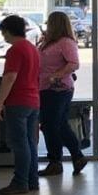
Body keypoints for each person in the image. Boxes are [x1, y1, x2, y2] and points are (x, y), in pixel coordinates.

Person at [37, 11, 87, 177]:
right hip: (45, 88)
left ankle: (62, 159)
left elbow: (74, 63)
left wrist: (56, 75)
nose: (46, 26)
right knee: (54, 125)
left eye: (49, 23)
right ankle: (68, 158)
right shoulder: (49, 42)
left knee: (53, 125)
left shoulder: (65, 42)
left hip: (58, 89)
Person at [0, 15, 40, 195]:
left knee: (19, 143)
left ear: (7, 31)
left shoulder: (15, 50)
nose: (3, 36)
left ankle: (20, 181)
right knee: (30, 142)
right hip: (33, 100)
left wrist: (0, 103)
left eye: (3, 32)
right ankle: (32, 180)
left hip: (18, 102)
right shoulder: (32, 48)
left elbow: (10, 77)